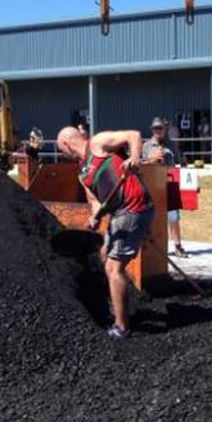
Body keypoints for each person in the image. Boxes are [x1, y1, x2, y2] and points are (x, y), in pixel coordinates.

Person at [56, 125, 154, 340]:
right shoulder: (82, 173)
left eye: (61, 151)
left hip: (134, 207)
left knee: (113, 266)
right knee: (104, 255)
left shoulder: (98, 143)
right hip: (118, 212)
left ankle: (121, 327)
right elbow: (96, 202)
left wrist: (135, 157)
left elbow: (133, 135)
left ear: (66, 144)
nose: (63, 156)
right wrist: (95, 216)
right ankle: (116, 303)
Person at [142, 117, 189, 258]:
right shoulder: (146, 146)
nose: (157, 131)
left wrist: (189, 181)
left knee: (173, 216)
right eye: (155, 128)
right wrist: (151, 159)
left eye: (160, 128)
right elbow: (140, 163)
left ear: (165, 129)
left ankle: (178, 246)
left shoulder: (171, 145)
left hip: (169, 184)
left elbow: (181, 163)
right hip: (153, 184)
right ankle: (153, 246)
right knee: (152, 217)